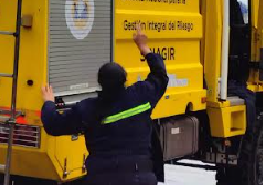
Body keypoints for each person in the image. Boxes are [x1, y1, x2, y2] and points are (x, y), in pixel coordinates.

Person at [40, 25, 168, 184]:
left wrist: (49, 102)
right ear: (125, 79)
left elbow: (53, 124)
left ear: (100, 83)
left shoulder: (88, 109)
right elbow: (160, 76)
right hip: (140, 178)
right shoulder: (140, 96)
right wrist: (144, 48)